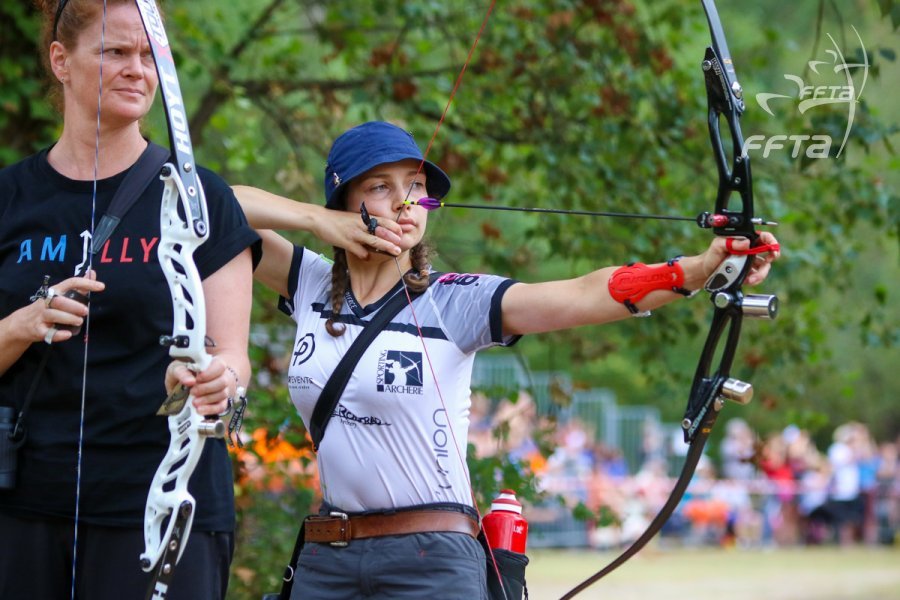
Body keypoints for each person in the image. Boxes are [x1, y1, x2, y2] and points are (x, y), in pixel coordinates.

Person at [232, 120, 780, 599]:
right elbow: (205, 201)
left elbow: (582, 295)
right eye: (381, 187)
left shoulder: (452, 300)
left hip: (430, 562)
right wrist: (314, 220)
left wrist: (700, 267)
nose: (406, 202)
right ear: (343, 201)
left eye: (417, 187)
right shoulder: (306, 283)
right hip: (329, 559)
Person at [0, 2, 261, 598]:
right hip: (24, 507)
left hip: (165, 505)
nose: (136, 71)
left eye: (148, 57)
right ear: (60, 61)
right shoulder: (9, 198)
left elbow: (232, 357)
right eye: (115, 52)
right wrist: (22, 324)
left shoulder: (204, 200)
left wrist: (217, 380)